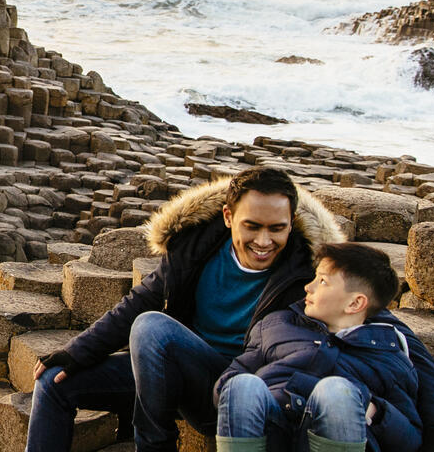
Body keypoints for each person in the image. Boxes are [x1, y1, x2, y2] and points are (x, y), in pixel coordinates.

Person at [26, 167, 356, 452]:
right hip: (169, 374)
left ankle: (154, 445)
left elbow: (347, 329)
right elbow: (143, 298)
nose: (264, 240)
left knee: (152, 328)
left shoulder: (305, 273)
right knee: (54, 381)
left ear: (291, 223)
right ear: (228, 217)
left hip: (233, 391)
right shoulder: (198, 245)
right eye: (252, 226)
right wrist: (77, 351)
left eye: (276, 228)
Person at [214, 242, 434, 452]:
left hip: (338, 430)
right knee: (244, 385)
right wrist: (243, 393)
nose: (308, 287)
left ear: (355, 303)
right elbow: (229, 380)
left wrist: (376, 410)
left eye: (322, 281)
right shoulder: (277, 325)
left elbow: (410, 440)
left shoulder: (388, 356)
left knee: (336, 391)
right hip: (272, 429)